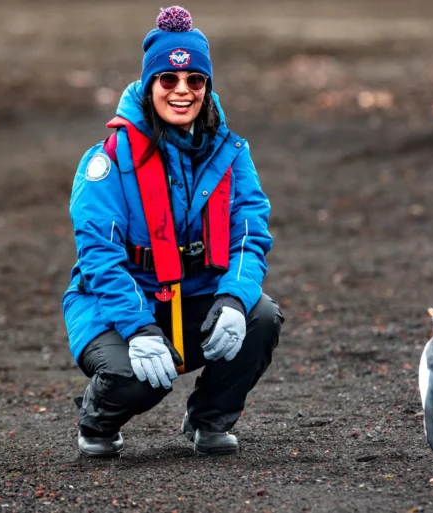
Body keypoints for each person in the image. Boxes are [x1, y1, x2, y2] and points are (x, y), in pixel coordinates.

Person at [62, 5, 283, 457]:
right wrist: (139, 327)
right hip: (117, 305)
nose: (182, 91)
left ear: (206, 86)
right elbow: (99, 257)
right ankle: (97, 421)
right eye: (168, 79)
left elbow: (249, 233)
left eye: (195, 80)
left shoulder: (230, 151)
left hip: (194, 296)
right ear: (149, 85)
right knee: (138, 379)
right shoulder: (105, 161)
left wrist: (233, 299)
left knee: (259, 317)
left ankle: (208, 420)